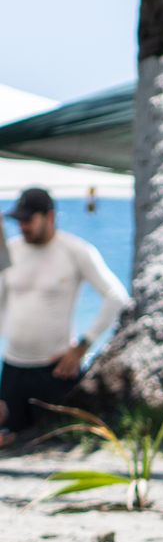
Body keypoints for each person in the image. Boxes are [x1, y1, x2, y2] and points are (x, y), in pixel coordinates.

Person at [0, 188, 130, 447]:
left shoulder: (75, 250)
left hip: (55, 372)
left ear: (49, 217)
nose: (22, 226)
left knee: (54, 444)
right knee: (9, 444)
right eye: (19, 221)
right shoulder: (11, 252)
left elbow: (117, 297)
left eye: (28, 220)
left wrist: (82, 347)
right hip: (13, 371)